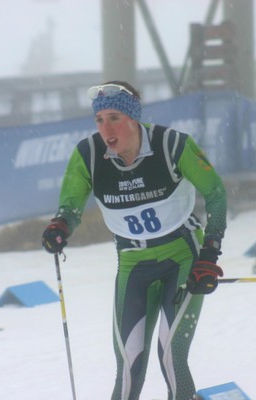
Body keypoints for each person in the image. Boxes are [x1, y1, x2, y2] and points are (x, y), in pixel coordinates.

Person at [41, 81, 227, 400]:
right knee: (128, 366)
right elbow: (70, 205)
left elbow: (216, 193)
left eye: (113, 118)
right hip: (132, 264)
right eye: (99, 120)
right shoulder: (88, 155)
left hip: (183, 257)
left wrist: (210, 253)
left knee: (171, 355)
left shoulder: (172, 144)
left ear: (133, 119)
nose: (105, 128)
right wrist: (60, 226)